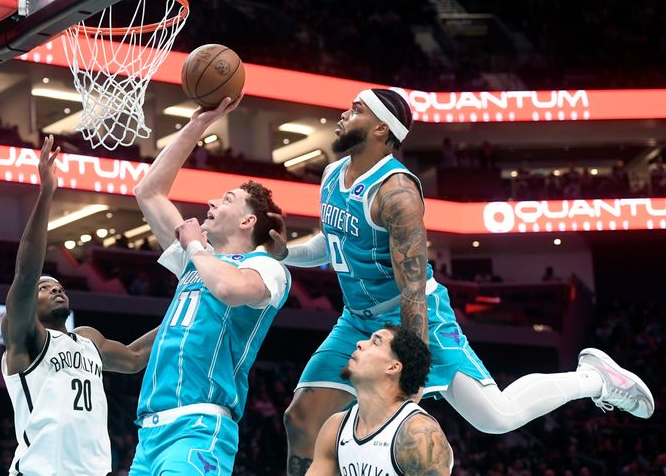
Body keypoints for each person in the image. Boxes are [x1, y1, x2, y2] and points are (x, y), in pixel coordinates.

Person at [270, 88, 655, 473]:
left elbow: (414, 289)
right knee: (301, 418)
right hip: (356, 318)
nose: (343, 114)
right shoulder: (331, 174)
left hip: (412, 318)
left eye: (355, 110)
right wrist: (286, 254)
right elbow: (333, 243)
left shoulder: (397, 194)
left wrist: (412, 369)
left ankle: (593, 379)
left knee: (495, 418)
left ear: (381, 130)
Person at [129, 96, 291, 476]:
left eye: (227, 199)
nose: (212, 201)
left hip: (200, 426)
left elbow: (231, 290)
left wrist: (195, 246)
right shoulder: (196, 258)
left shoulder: (266, 267)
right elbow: (148, 192)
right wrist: (199, 124)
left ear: (249, 222)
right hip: (149, 432)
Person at [1, 136, 158, 475]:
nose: (57, 291)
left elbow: (133, 359)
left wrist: (189, 304)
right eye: (47, 289)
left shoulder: (88, 339)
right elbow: (25, 275)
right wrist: (46, 193)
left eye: (59, 287)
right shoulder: (26, 339)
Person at [307, 325, 452, 475]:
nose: (360, 343)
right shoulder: (335, 428)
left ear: (393, 367)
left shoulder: (419, 434)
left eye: (375, 343)